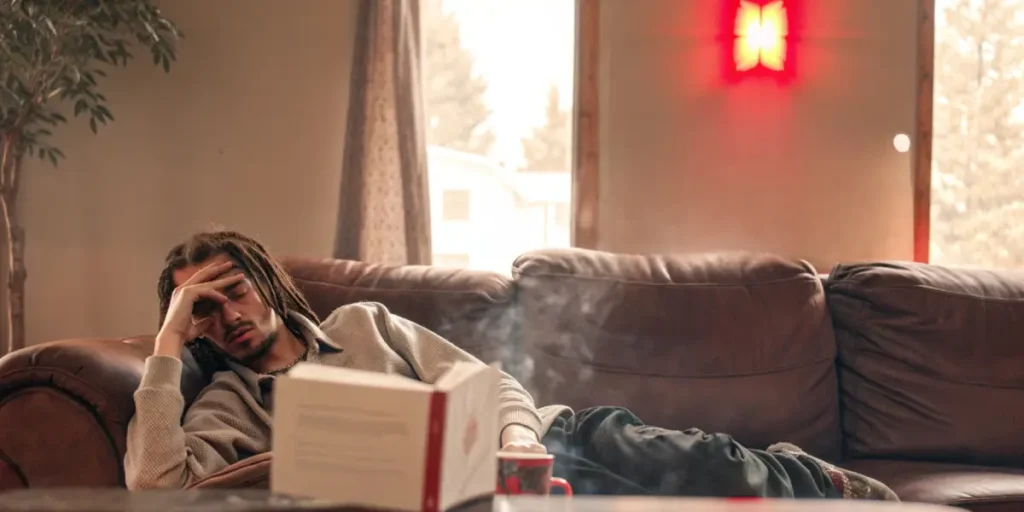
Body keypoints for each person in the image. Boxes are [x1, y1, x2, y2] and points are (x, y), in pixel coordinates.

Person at [125, 230, 898, 501]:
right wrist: (164, 346)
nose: (226, 316)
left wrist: (520, 446)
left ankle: (815, 479)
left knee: (695, 466)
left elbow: (489, 384)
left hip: (539, 450)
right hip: (448, 504)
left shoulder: (364, 323)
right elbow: (155, 489)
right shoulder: (225, 408)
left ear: (264, 284)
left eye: (233, 292)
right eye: (202, 311)